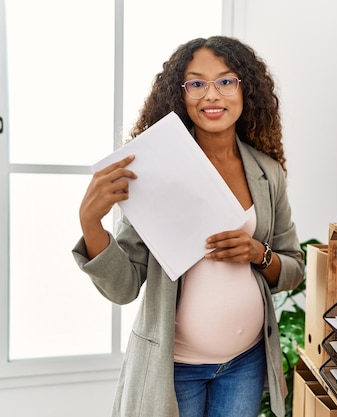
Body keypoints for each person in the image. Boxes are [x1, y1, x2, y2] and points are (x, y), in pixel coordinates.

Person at [72, 36, 305, 417]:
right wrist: (90, 221)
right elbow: (125, 286)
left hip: (245, 363)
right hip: (175, 368)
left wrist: (258, 254)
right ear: (180, 95)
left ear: (246, 89)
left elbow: (292, 267)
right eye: (196, 83)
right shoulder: (153, 171)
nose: (211, 95)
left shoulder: (268, 172)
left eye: (226, 81)